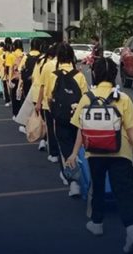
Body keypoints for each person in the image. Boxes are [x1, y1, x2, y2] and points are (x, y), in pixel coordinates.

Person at [67, 57, 133, 254]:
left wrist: (73, 153)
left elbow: (80, 129)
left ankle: (97, 223)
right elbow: (131, 129)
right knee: (125, 190)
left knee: (97, 187)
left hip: (94, 152)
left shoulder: (87, 98)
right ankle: (132, 231)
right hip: (121, 152)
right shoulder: (123, 98)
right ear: (114, 75)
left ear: (94, 73)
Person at [44, 42, 88, 196]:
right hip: (77, 117)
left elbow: (49, 97)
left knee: (65, 148)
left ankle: (73, 182)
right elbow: (86, 98)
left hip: (61, 118)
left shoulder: (53, 75)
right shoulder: (79, 75)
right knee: (79, 147)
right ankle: (84, 176)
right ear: (71, 57)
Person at [36, 43, 61, 162]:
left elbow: (42, 85)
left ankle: (54, 154)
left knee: (50, 128)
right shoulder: (70, 65)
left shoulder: (47, 65)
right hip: (66, 103)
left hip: (48, 102)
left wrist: (38, 102)